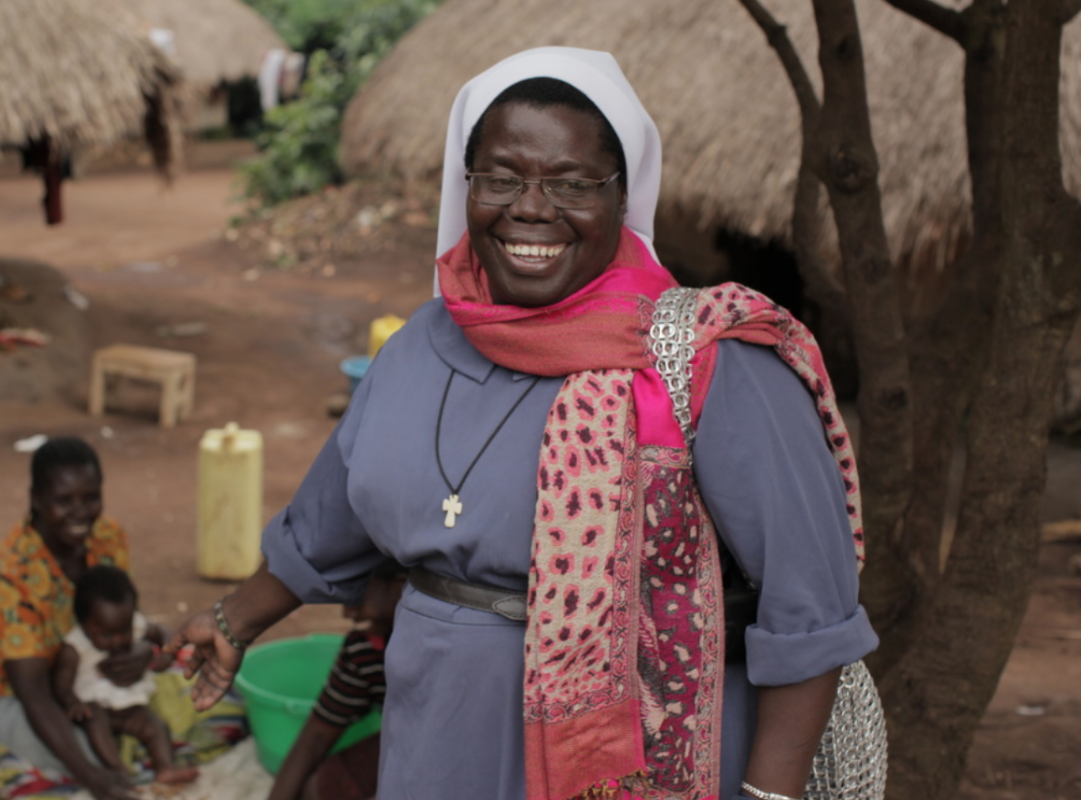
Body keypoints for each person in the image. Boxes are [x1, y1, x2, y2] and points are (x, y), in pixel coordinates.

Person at [173, 47, 878, 800]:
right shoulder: (419, 348)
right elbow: (333, 516)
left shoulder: (708, 361)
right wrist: (233, 618)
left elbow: (810, 609)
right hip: (437, 737)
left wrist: (770, 795)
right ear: (465, 184)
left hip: (643, 757)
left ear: (620, 193)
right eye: (501, 177)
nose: (531, 208)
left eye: (571, 183)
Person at [0, 436, 195, 800]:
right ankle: (111, 767)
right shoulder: (10, 573)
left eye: (91, 498)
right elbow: (34, 695)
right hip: (21, 699)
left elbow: (124, 618)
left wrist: (139, 651)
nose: (80, 513)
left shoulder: (107, 537)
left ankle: (126, 759)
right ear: (36, 499)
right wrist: (94, 777)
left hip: (96, 683)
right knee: (94, 753)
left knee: (191, 702)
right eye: (63, 500)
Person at [267, 560, 406, 800]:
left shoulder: (444, 653)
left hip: (467, 753)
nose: (347, 612)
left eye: (356, 596)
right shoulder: (365, 650)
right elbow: (315, 739)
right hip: (405, 744)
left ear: (400, 587)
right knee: (320, 789)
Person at [51, 565, 191, 786]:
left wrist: (167, 652)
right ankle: (118, 772)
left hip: (131, 706)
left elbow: (162, 631)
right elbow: (60, 684)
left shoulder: (134, 623)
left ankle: (166, 767)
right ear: (84, 624)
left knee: (155, 726)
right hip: (97, 709)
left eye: (124, 631)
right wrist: (72, 703)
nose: (117, 640)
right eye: (106, 634)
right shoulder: (75, 647)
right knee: (95, 724)